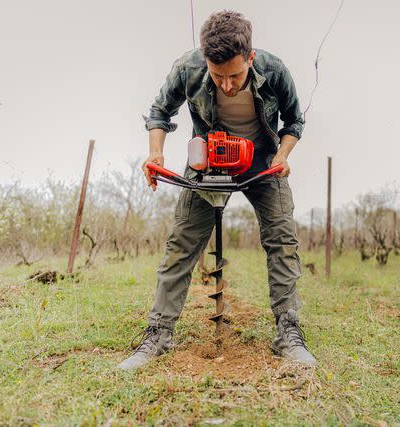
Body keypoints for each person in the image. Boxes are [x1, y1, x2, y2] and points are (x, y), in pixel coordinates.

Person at [118, 10, 316, 370]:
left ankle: (289, 332)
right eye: (217, 75)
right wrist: (155, 152)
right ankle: (158, 334)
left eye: (235, 75)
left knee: (283, 242)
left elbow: (294, 121)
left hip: (263, 163)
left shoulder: (274, 71)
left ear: (251, 58)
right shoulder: (188, 68)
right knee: (181, 246)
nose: (226, 85)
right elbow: (160, 111)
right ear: (205, 61)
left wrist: (283, 155)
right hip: (207, 162)